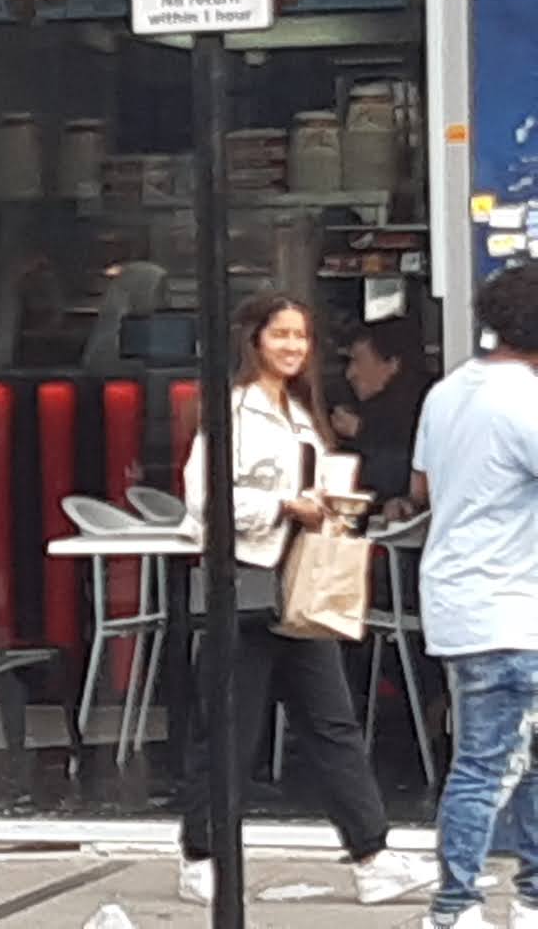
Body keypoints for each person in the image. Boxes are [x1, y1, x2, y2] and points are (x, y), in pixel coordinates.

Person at [176, 294, 436, 908]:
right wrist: (281, 507)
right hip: (244, 581)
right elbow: (202, 501)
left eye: (301, 336)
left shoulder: (298, 413)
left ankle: (372, 854)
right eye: (281, 334)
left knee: (332, 722)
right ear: (255, 340)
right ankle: (202, 854)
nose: (293, 346)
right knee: (229, 728)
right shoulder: (231, 412)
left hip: (301, 584)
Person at [409, 265, 538, 929]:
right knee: (488, 766)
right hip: (513, 607)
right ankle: (455, 906)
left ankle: (525, 897)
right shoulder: (525, 401)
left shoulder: (448, 391)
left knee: (504, 758)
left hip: (457, 600)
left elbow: (423, 487)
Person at [333, 318, 428, 507]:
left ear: (392, 364)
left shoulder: (418, 412)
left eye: (357, 362)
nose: (350, 373)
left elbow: (398, 476)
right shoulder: (358, 409)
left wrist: (363, 432)